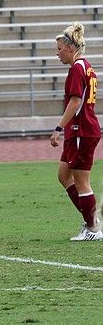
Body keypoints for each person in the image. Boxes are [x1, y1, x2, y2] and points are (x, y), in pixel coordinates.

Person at [50, 22, 103, 241]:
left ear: (71, 48)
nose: (57, 53)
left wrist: (58, 128)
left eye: (60, 48)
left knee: (82, 181)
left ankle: (92, 229)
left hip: (81, 130)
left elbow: (75, 102)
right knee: (64, 176)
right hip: (78, 130)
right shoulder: (86, 67)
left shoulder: (77, 68)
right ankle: (90, 219)